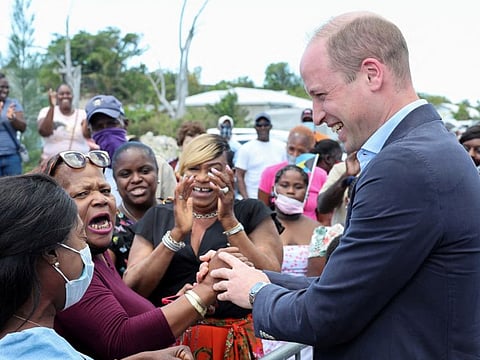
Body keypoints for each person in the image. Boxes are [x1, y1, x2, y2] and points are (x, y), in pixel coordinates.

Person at [209, 12, 480, 359]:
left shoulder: (404, 166)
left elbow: (328, 314)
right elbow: (349, 288)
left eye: (321, 95)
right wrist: (250, 276)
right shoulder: (430, 148)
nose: (317, 115)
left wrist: (256, 293)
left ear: (371, 74)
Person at [43, 150, 220, 359]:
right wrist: (206, 291)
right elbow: (119, 339)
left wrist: (179, 303)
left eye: (105, 190)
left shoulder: (97, 255)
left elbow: (124, 309)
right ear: (53, 210)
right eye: (82, 194)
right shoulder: (66, 265)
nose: (100, 200)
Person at [0, 173, 194, 360]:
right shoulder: (37, 350)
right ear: (51, 254)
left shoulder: (20, 335)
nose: (86, 252)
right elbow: (118, 338)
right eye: (81, 238)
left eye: (105, 190)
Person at [125, 133, 283, 359]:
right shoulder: (158, 215)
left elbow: (271, 274)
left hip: (231, 344)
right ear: (180, 172)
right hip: (167, 344)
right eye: (194, 168)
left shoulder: (250, 211)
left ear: (230, 172)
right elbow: (133, 287)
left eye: (213, 169)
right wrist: (176, 233)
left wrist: (229, 219)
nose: (202, 178)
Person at [261, 164, 321, 359]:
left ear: (307, 192)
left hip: (302, 313)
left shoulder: (319, 230)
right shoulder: (260, 226)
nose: (290, 191)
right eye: (284, 185)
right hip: (266, 310)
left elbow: (318, 279)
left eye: (298, 186)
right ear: (274, 188)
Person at [85, 94, 176, 206]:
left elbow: (173, 211)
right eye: (98, 127)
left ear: (125, 124)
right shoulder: (88, 172)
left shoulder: (159, 166)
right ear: (91, 132)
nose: (106, 131)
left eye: (112, 123)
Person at [109, 141, 161, 276]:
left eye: (144, 171)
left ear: (157, 173)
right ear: (115, 180)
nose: (136, 179)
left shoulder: (175, 213)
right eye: (125, 174)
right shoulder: (109, 227)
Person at [258, 125, 327, 220]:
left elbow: (324, 218)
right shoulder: (270, 172)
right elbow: (262, 212)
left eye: (301, 151)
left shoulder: (320, 176)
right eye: (291, 149)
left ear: (310, 151)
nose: (295, 155)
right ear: (286, 146)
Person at [37, 84, 92, 166]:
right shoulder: (45, 111)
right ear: (56, 96)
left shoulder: (82, 114)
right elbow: (44, 132)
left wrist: (88, 119)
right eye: (61, 94)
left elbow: (87, 135)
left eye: (68, 93)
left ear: (72, 96)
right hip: (52, 164)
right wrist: (52, 107)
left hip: (80, 163)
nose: (65, 96)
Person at [235, 112, 286, 199]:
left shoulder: (281, 147)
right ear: (255, 127)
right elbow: (239, 175)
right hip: (253, 198)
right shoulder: (246, 148)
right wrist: (246, 199)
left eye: (265, 125)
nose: (263, 128)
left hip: (276, 199)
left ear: (270, 126)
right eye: (259, 125)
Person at [0, 72, 26, 176]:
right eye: (2, 87)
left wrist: (13, 118)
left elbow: (23, 127)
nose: (5, 90)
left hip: (11, 157)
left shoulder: (13, 104)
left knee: (14, 190)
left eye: (7, 87)